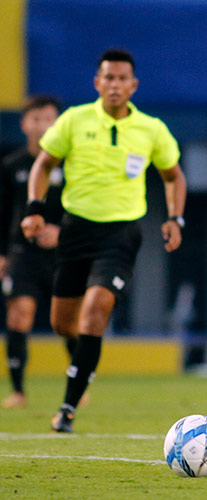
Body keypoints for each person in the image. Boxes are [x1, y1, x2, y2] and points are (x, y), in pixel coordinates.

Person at [21, 49, 187, 433]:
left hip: (120, 235)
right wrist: (34, 208)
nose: (114, 85)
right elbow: (43, 164)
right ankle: (84, 362)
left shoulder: (152, 129)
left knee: (96, 308)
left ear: (133, 85)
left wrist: (175, 218)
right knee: (64, 324)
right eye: (108, 78)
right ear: (97, 83)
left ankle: (67, 409)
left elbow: (173, 176)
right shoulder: (74, 120)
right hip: (76, 230)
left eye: (121, 78)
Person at [1, 96, 62, 408]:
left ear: (57, 122)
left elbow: (82, 207)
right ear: (24, 124)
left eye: (48, 118)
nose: (42, 125)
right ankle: (19, 391)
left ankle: (78, 383)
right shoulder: (12, 166)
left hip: (62, 255)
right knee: (19, 316)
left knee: (69, 321)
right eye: (35, 119)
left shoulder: (71, 165)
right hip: (22, 254)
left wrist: (61, 232)